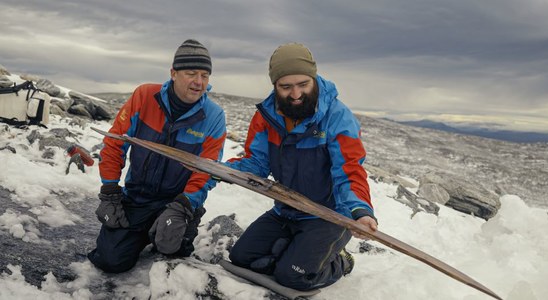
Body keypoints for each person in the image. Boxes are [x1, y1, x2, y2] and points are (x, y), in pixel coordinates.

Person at [225, 43, 377, 290]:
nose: (295, 94)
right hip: (286, 211)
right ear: (275, 86)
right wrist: (222, 170)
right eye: (286, 87)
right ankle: (295, 249)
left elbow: (349, 169)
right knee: (242, 258)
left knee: (293, 277)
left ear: (314, 79)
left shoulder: (337, 117)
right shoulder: (267, 117)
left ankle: (341, 262)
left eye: (303, 84)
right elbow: (257, 163)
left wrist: (359, 210)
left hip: (329, 217)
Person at [88, 39, 226, 273]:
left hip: (176, 201)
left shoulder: (213, 116)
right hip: (137, 197)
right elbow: (115, 143)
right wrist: (110, 192)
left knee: (171, 250)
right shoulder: (145, 96)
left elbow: (207, 170)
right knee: (111, 260)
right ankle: (143, 231)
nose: (199, 82)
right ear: (173, 73)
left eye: (205, 75)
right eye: (191, 73)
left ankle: (180, 224)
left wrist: (184, 205)